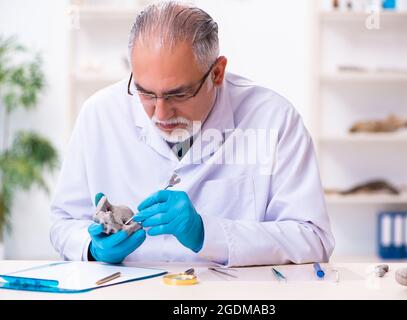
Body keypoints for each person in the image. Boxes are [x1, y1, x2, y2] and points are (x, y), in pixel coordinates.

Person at [50, 1, 334, 267]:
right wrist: (92, 248)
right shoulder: (99, 114)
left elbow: (313, 239)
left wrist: (209, 233)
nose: (160, 115)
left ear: (217, 73)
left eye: (179, 94)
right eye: (145, 93)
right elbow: (63, 222)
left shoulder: (274, 119)